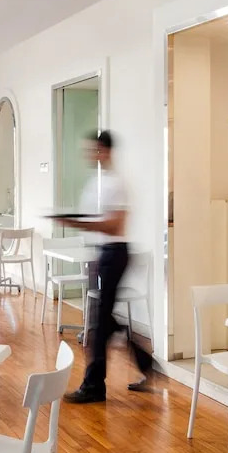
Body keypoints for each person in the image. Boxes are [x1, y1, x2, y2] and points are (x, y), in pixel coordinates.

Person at [59, 130, 153, 404]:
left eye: (95, 149)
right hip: (104, 253)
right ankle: (145, 363)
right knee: (104, 320)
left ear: (105, 150)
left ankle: (94, 386)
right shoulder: (98, 182)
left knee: (100, 323)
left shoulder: (117, 183)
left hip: (115, 253)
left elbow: (115, 225)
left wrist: (77, 224)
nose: (91, 154)